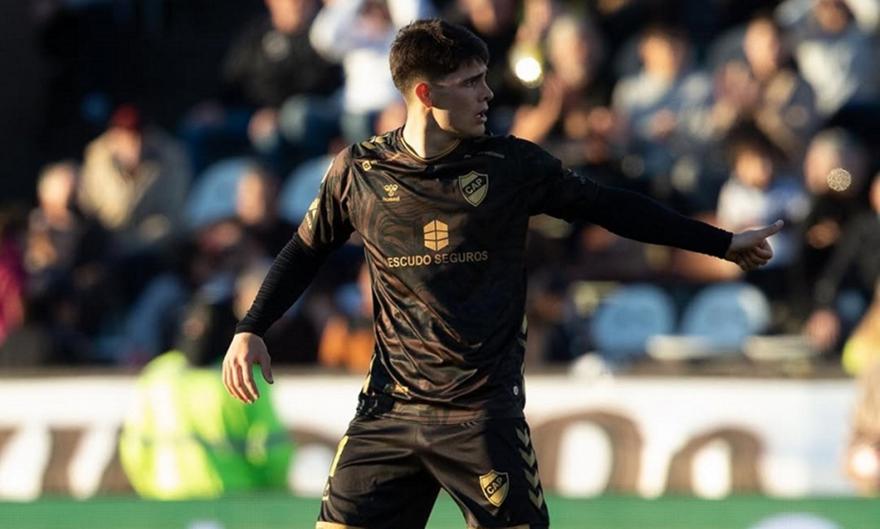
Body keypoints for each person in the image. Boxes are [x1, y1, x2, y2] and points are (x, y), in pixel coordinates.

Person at [222, 19, 782, 529]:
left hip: (481, 418)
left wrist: (721, 242)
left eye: (484, 78)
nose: (487, 94)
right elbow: (303, 252)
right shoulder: (360, 171)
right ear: (426, 94)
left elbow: (611, 207)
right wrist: (251, 327)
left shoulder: (510, 166)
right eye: (470, 82)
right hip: (387, 413)